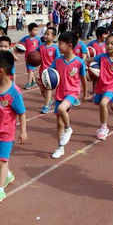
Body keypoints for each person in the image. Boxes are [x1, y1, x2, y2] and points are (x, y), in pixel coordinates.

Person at [0, 51, 27, 203]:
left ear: (1, 71)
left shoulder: (14, 93)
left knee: (2, 161)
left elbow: (22, 113)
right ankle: (8, 176)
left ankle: (0, 190)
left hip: (6, 133)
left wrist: (23, 132)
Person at [39, 31, 87, 159]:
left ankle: (69, 128)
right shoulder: (58, 60)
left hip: (72, 92)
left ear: (69, 45)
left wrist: (85, 94)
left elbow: (83, 79)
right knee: (58, 123)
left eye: (60, 44)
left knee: (61, 109)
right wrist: (43, 81)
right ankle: (60, 148)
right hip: (60, 93)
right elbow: (49, 73)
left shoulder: (79, 62)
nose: (58, 46)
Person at [37, 27, 60, 114]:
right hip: (42, 71)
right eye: (45, 34)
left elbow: (58, 59)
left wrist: (55, 69)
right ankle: (49, 101)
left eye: (48, 34)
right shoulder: (41, 46)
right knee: (42, 89)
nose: (45, 35)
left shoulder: (55, 48)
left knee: (48, 89)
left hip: (50, 72)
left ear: (53, 37)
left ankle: (46, 106)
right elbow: (34, 54)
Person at [20, 23, 41, 89]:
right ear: (29, 31)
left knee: (30, 71)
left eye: (37, 30)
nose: (36, 32)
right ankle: (34, 81)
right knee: (29, 71)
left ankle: (29, 83)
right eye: (34, 30)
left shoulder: (38, 39)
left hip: (34, 58)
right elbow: (20, 43)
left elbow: (41, 47)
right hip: (27, 57)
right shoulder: (25, 38)